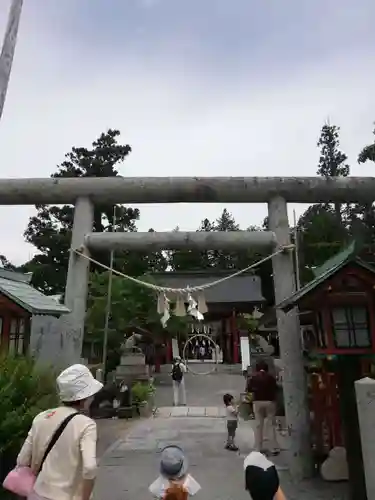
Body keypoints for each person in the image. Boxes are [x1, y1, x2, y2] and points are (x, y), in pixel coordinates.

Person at [16, 363, 103, 500]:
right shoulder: (86, 424)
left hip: (37, 494)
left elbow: (22, 460)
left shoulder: (41, 418)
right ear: (85, 398)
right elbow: (90, 468)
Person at [247, 360, 280, 455]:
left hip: (257, 402)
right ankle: (273, 448)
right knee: (270, 425)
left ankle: (258, 448)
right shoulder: (271, 378)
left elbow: (249, 391)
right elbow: (276, 389)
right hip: (270, 402)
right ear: (267, 369)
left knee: (258, 425)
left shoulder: (253, 378)